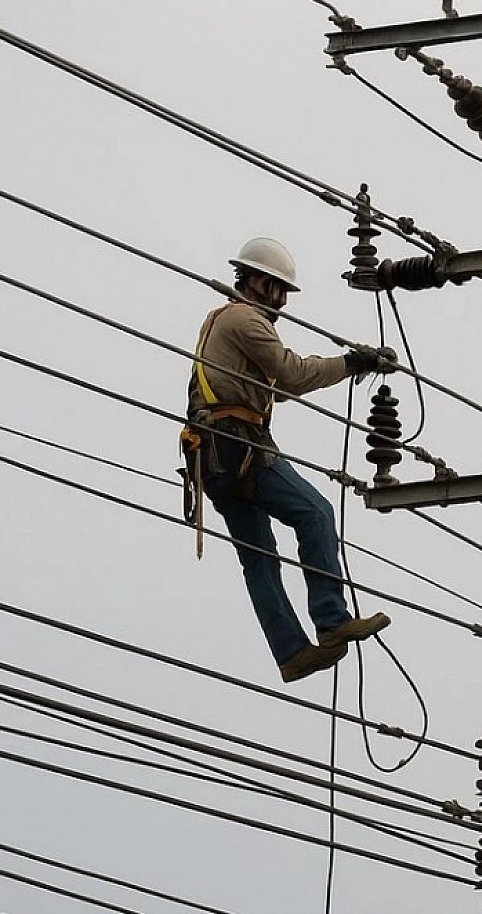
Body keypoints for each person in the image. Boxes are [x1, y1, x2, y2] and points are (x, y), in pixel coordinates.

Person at [184, 236, 397, 683]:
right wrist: (353, 363)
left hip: (215, 460)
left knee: (259, 558)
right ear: (259, 283)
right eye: (278, 290)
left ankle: (292, 653)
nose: (282, 302)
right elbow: (294, 375)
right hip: (241, 450)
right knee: (315, 513)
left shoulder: (218, 322)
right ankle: (331, 618)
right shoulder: (244, 319)